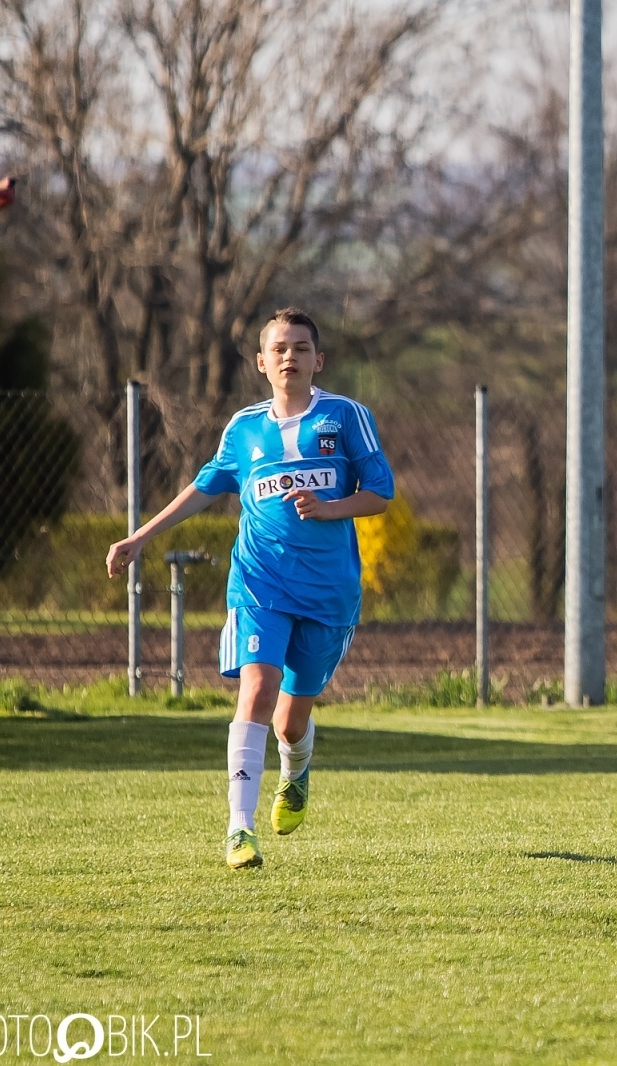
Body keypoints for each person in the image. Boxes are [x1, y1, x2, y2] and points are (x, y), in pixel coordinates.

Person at [106, 308, 393, 869]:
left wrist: (330, 507)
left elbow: (381, 493)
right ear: (262, 362)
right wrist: (138, 538)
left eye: (302, 348)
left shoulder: (347, 417)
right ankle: (239, 830)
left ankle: (296, 771)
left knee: (290, 720)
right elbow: (202, 487)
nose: (291, 356)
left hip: (330, 592)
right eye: (280, 348)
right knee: (257, 691)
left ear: (319, 360)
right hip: (260, 584)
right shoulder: (243, 428)